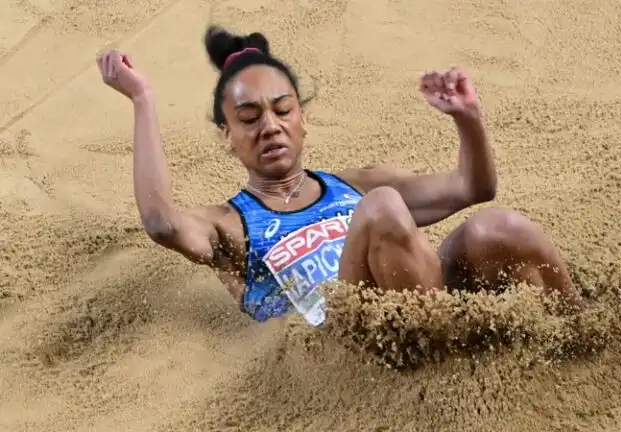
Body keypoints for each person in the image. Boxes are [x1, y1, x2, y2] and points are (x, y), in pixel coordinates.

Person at [96, 25, 584, 326]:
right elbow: (161, 222)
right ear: (227, 136)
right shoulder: (229, 225)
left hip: (427, 300)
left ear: (303, 119)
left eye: (282, 110)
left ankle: (582, 332)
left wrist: (468, 119)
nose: (270, 126)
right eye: (249, 118)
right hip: (352, 346)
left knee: (496, 227)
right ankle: (442, 360)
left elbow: (473, 188)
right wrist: (143, 99)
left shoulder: (356, 185)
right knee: (383, 207)